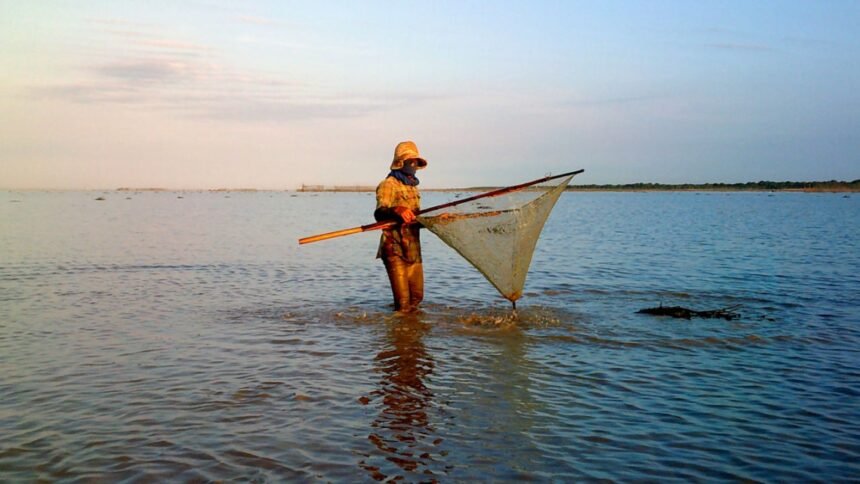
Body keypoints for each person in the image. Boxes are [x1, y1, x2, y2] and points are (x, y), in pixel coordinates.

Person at [374, 141, 428, 312]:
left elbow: (415, 218)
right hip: (394, 247)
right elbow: (379, 214)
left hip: (412, 247)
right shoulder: (388, 184)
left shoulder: (412, 187)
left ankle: (411, 333)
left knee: (417, 297)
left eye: (415, 162)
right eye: (410, 161)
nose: (413, 166)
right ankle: (398, 334)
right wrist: (396, 210)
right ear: (400, 162)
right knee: (403, 303)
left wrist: (435, 220)